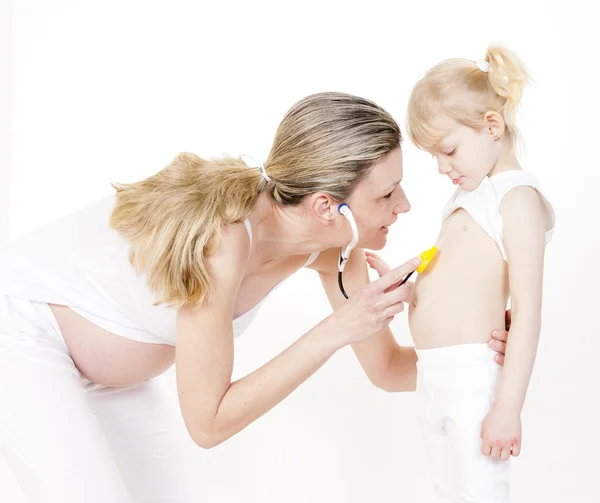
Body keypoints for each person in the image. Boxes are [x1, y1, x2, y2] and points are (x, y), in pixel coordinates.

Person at [0, 92, 509, 502]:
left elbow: (389, 370)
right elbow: (208, 422)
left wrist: (474, 357)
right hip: (22, 331)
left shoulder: (336, 250)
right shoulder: (222, 241)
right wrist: (335, 330)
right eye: (385, 194)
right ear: (326, 206)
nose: (404, 205)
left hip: (109, 380)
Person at [399, 46, 555, 502]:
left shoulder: (517, 199)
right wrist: (409, 288)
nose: (443, 167)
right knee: (449, 489)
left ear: (491, 125)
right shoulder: (469, 195)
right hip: (433, 375)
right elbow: (454, 277)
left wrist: (507, 408)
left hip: (471, 375)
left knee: (479, 490)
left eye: (448, 150)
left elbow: (527, 311)